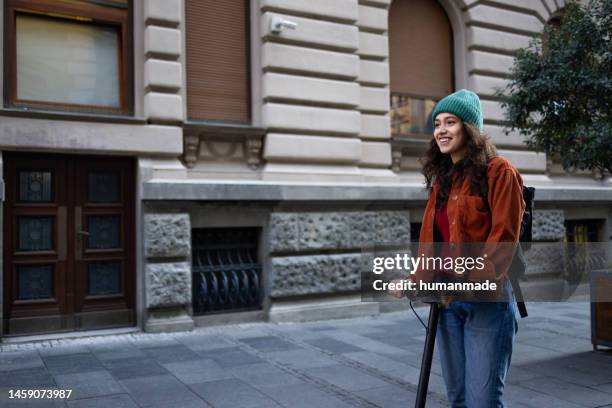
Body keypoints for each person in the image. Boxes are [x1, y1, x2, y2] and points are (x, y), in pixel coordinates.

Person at [391, 89, 525, 407]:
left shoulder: (499, 171)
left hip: (488, 302)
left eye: (450, 121)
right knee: (459, 399)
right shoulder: (443, 181)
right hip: (448, 302)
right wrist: (414, 281)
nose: (441, 130)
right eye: (437, 123)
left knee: (482, 401)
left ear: (469, 128)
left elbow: (504, 239)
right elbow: (430, 244)